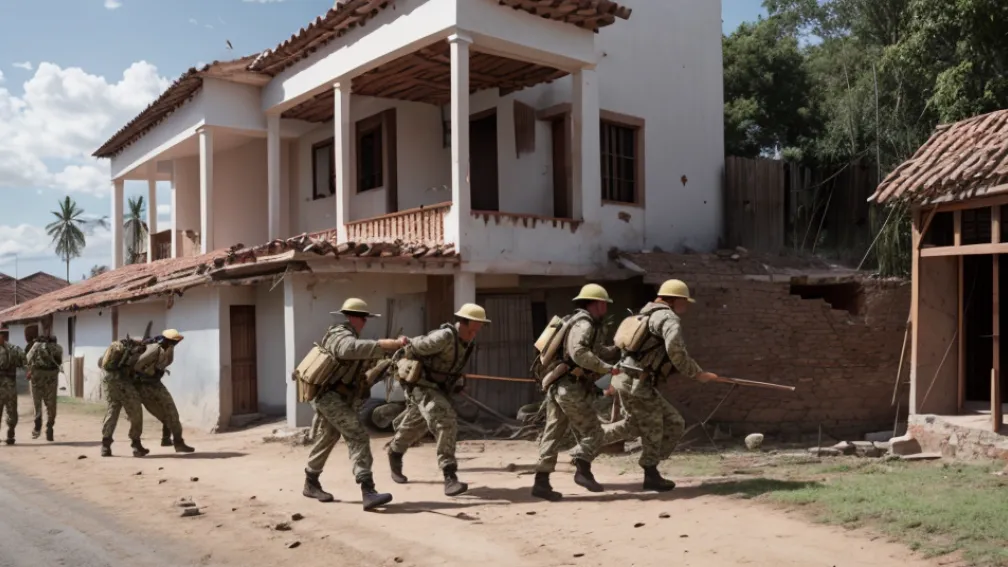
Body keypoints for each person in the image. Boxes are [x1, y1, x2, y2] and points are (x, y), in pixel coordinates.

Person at [601, 279, 721, 491]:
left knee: (670, 422)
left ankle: (587, 446)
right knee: (654, 426)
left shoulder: (643, 315)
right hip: (637, 383)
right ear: (674, 300)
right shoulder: (668, 318)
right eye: (684, 301)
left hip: (628, 380)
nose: (686, 305)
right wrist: (698, 374)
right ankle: (650, 472)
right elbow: (676, 350)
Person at [302, 298, 404, 511]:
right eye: (362, 318)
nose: (364, 322)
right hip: (327, 396)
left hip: (337, 397)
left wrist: (384, 363)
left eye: (365, 319)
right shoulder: (339, 334)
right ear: (351, 317)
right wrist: (384, 344)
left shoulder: (351, 336)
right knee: (358, 435)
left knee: (329, 436)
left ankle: (310, 482)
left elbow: (359, 370)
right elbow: (348, 350)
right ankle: (368, 490)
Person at [386, 303, 489, 497]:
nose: (475, 333)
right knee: (445, 420)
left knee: (415, 425)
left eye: (478, 329)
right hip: (421, 385)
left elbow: (453, 367)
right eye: (473, 328)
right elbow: (411, 347)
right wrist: (405, 359)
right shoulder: (443, 337)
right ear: (463, 323)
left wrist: (457, 382)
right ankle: (450, 476)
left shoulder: (467, 343)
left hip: (438, 388)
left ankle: (395, 452)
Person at [531, 284, 621, 502]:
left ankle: (541, 482)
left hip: (561, 386)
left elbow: (596, 350)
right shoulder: (584, 324)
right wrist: (606, 369)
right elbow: (579, 353)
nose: (606, 308)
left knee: (553, 434)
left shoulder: (585, 324)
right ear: (596, 304)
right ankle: (582, 469)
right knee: (595, 432)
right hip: (570, 388)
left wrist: (617, 349)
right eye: (604, 304)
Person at [134, 329, 195, 453]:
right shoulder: (154, 349)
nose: (176, 343)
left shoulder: (167, 349)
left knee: (172, 411)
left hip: (156, 384)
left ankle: (178, 442)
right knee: (160, 414)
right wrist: (147, 374)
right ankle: (138, 445)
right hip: (145, 387)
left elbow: (164, 363)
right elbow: (137, 365)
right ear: (168, 340)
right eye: (174, 341)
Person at [99, 337, 148, 457]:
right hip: (122, 382)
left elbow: (100, 363)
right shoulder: (131, 351)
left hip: (108, 381)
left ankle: (105, 445)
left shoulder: (113, 349)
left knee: (112, 410)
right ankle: (136, 445)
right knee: (136, 411)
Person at [25, 323, 62, 442]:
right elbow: (59, 361)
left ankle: (39, 423)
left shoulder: (36, 346)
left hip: (38, 377)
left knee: (38, 402)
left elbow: (27, 359)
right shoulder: (57, 347)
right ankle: (49, 425)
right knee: (50, 404)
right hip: (51, 377)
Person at [0, 329, 27, 445]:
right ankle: (10, 432)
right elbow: (24, 363)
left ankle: (11, 432)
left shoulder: (14, 349)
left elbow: (24, 362)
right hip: (10, 385)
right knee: (11, 410)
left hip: (9, 385)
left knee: (12, 411)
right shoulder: (15, 349)